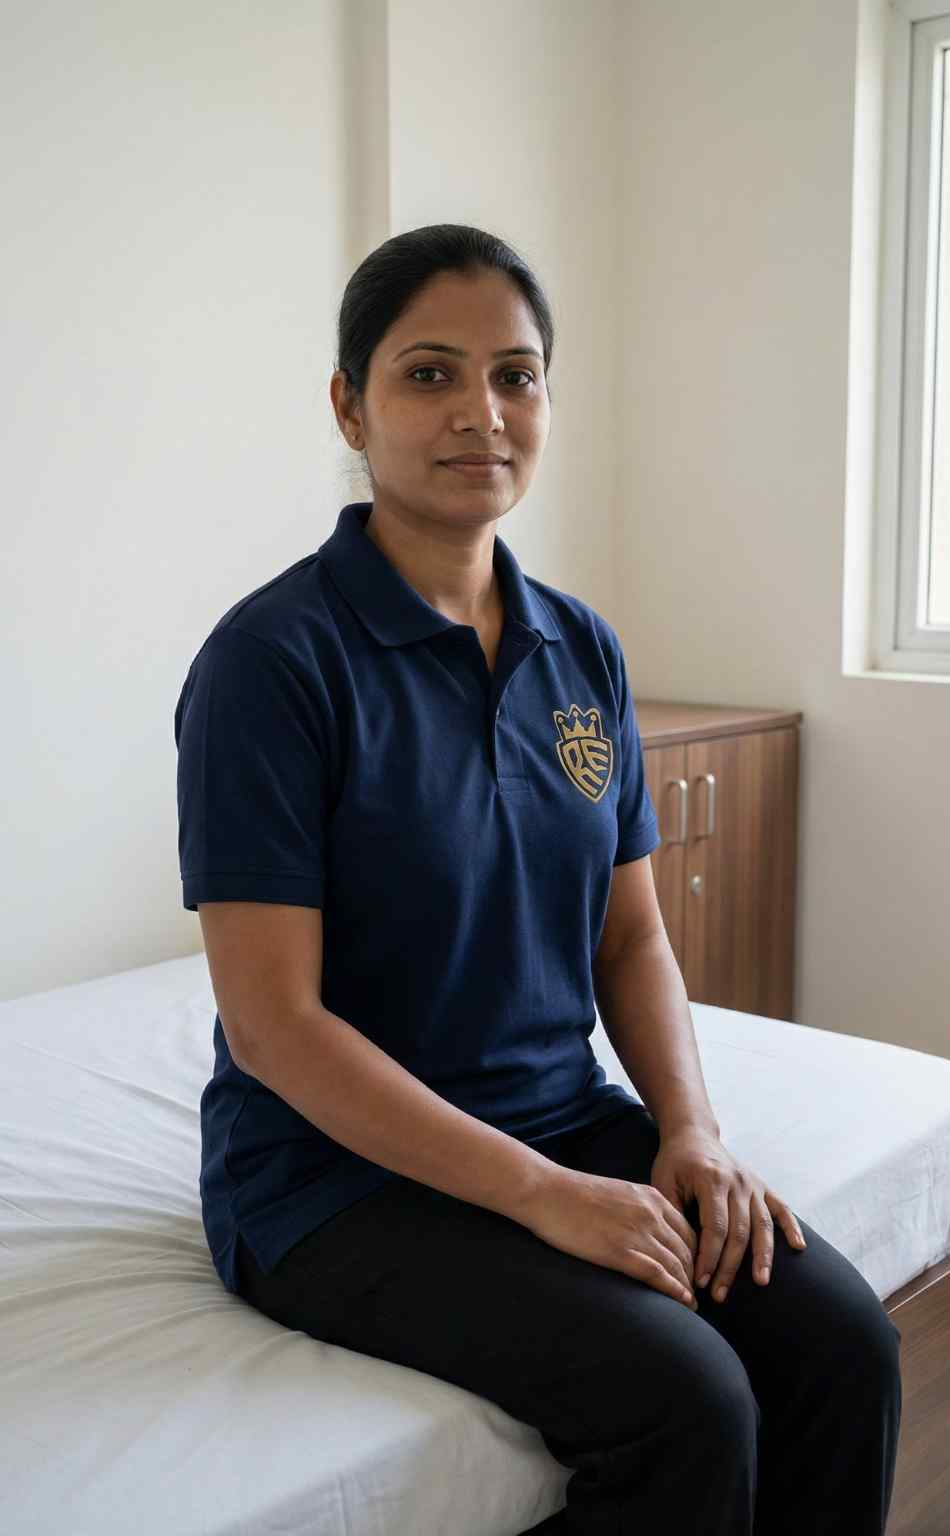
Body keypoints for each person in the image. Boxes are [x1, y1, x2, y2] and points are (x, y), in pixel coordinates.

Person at [174, 223, 902, 1534]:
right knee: (688, 1399)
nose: (482, 415)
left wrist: (689, 1132)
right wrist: (543, 1200)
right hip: (332, 1185)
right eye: (430, 375)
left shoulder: (583, 651)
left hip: (559, 1115)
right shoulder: (274, 663)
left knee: (841, 1343)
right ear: (351, 403)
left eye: (516, 376)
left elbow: (632, 940)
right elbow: (274, 1027)